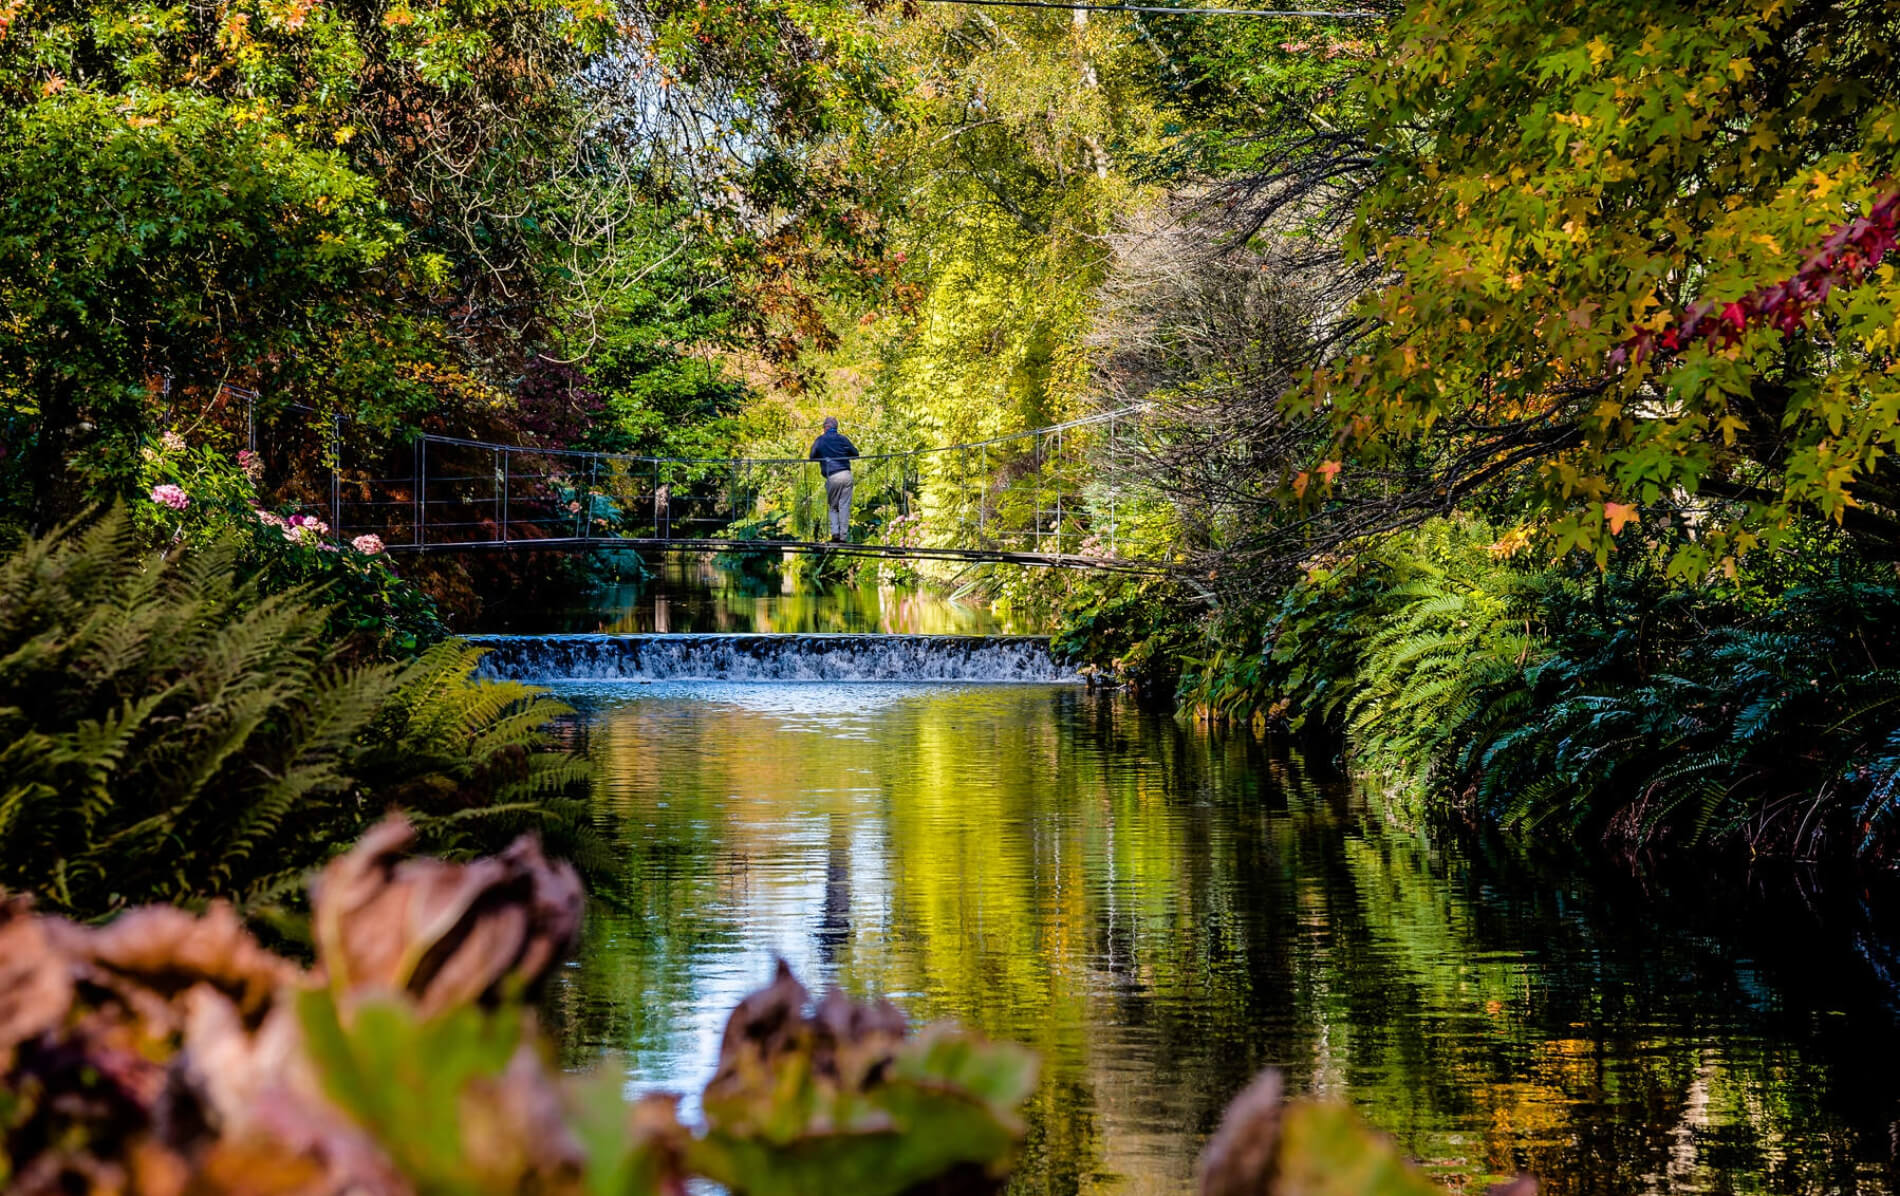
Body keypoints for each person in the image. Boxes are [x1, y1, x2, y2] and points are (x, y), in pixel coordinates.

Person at [808, 416, 860, 542]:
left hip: (833, 476)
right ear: (835, 427)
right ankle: (843, 536)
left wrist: (824, 456)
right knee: (844, 506)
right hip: (846, 474)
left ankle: (835, 534)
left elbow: (811, 456)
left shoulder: (820, 440)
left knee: (833, 507)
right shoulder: (842, 439)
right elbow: (855, 453)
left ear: (825, 427)